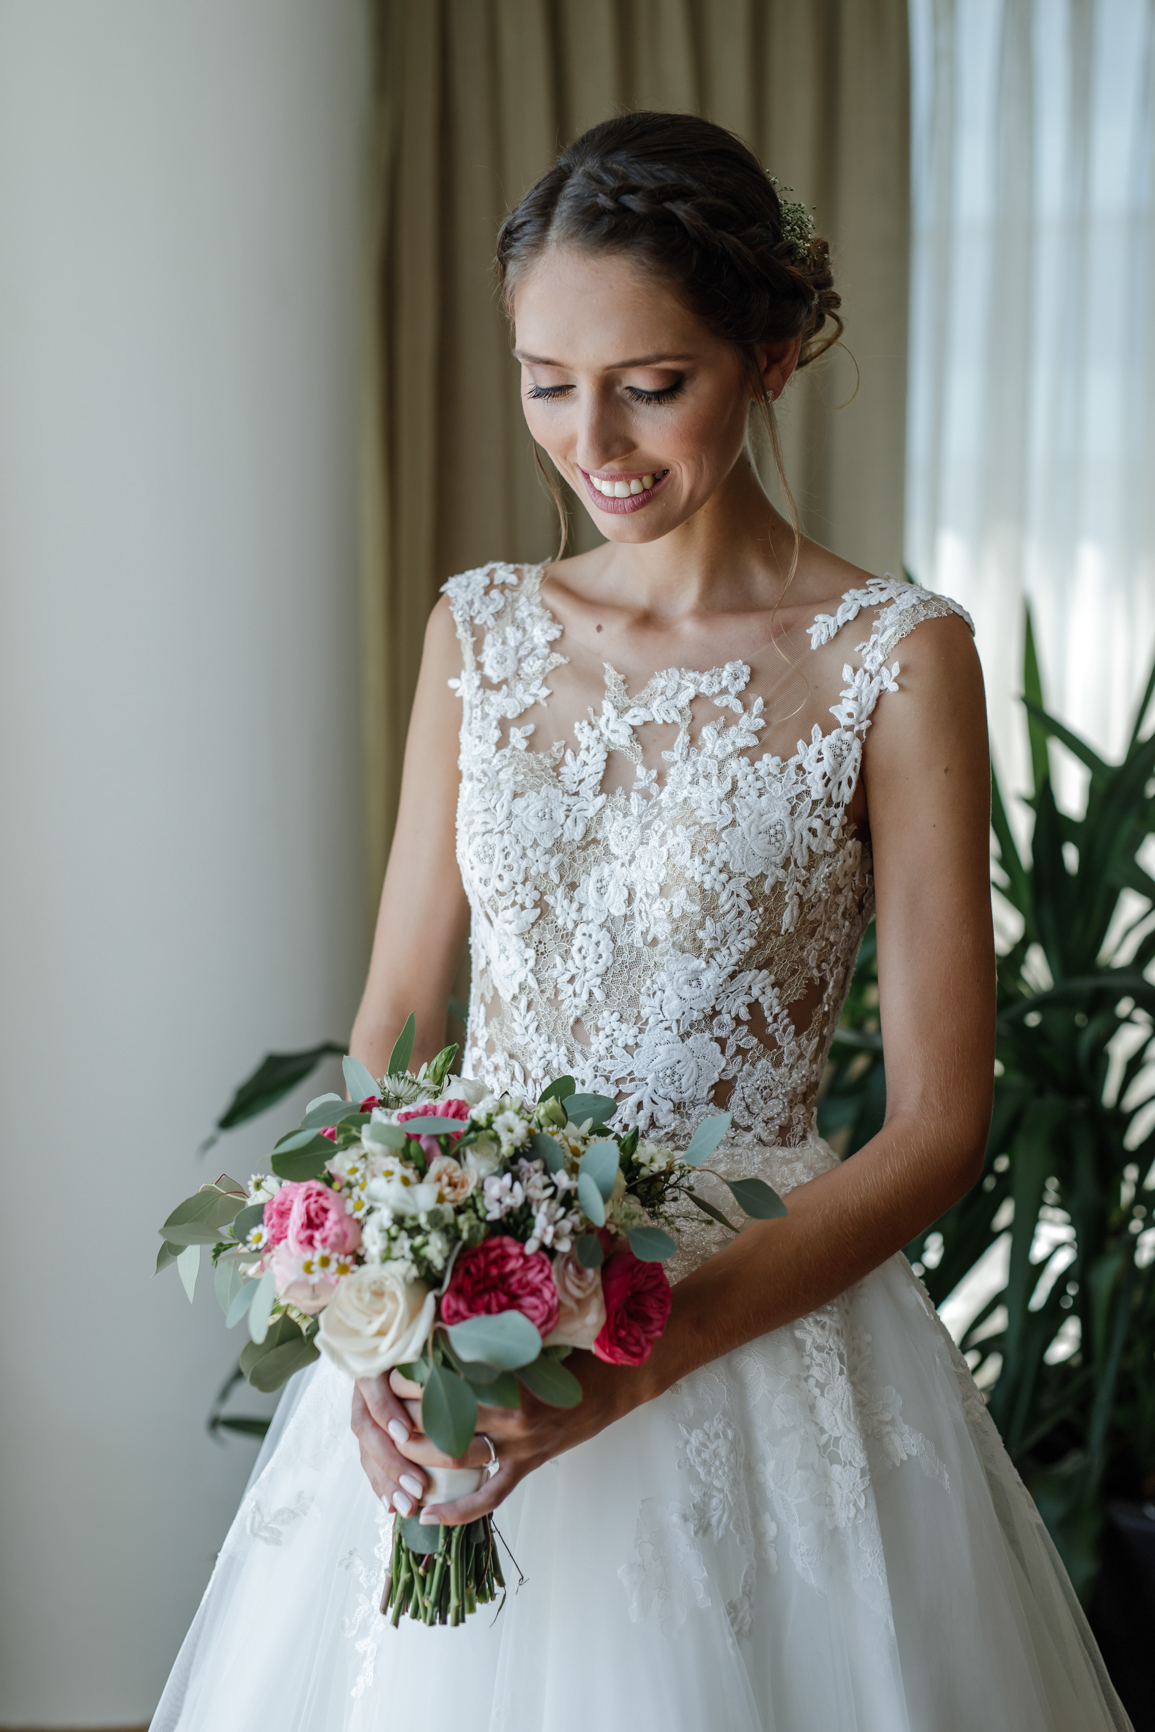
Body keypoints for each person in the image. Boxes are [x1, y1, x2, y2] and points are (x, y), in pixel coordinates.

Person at [152, 113, 1130, 1731]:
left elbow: (941, 1127)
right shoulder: (479, 630)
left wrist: (640, 1359)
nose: (591, 438)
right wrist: (371, 1325)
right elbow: (399, 1018)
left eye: (648, 382)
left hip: (756, 1347)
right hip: (477, 1329)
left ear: (772, 350)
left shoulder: (899, 658)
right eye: (547, 380)